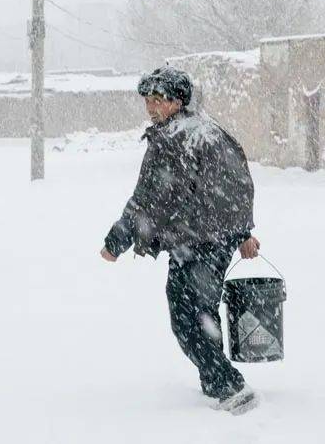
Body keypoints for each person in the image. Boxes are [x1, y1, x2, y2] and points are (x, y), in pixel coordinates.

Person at [100, 66, 262, 415]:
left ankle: (230, 387)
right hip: (200, 242)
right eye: (148, 100)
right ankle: (215, 381)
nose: (152, 107)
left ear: (178, 101)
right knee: (195, 314)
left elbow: (149, 200)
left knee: (189, 317)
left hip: (197, 243)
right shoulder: (208, 131)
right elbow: (233, 190)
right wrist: (241, 233)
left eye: (159, 100)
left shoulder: (174, 140)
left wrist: (117, 239)